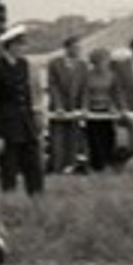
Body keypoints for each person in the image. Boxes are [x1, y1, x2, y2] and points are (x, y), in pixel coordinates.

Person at [0, 24, 43, 196]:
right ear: (11, 46)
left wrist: (34, 119)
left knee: (34, 167)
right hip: (7, 127)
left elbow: (27, 96)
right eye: (20, 44)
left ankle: (37, 199)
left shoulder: (23, 65)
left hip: (25, 124)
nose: (23, 48)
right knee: (9, 170)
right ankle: (10, 205)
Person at [46, 35, 87, 173]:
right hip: (59, 108)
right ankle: (57, 167)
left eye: (79, 48)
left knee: (73, 138)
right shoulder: (55, 64)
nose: (78, 50)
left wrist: (83, 108)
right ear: (67, 48)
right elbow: (53, 86)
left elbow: (84, 88)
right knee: (57, 138)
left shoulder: (82, 65)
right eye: (75, 47)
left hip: (75, 107)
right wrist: (58, 106)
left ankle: (71, 167)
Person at [82, 47, 120, 172]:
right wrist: (85, 109)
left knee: (109, 136)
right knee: (94, 138)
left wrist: (114, 107)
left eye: (105, 61)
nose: (103, 64)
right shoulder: (88, 76)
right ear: (94, 62)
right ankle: (96, 165)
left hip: (107, 111)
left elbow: (115, 93)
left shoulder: (112, 75)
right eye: (100, 61)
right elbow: (85, 93)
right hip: (92, 110)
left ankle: (109, 162)